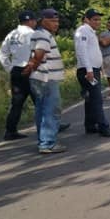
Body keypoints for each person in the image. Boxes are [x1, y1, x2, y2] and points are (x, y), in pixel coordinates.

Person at [27, 9, 67, 154]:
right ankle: (48, 143)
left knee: (42, 110)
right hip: (46, 78)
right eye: (52, 21)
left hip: (41, 78)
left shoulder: (42, 34)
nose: (56, 24)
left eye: (57, 21)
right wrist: (34, 68)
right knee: (51, 110)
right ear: (43, 20)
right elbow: (39, 55)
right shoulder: (43, 35)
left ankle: (43, 141)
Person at [74, 9, 110, 137]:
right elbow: (81, 51)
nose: (98, 22)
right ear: (86, 19)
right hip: (88, 71)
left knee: (91, 99)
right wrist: (89, 70)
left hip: (93, 69)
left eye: (99, 19)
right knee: (97, 98)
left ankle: (90, 125)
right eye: (95, 19)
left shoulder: (91, 32)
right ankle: (104, 127)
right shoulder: (83, 31)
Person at [0, 10, 37, 140]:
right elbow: (37, 53)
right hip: (30, 70)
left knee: (17, 103)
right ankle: (52, 125)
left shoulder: (12, 34)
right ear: (31, 21)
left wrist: (10, 68)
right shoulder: (33, 34)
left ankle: (10, 131)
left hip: (16, 71)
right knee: (41, 100)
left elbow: (1, 54)